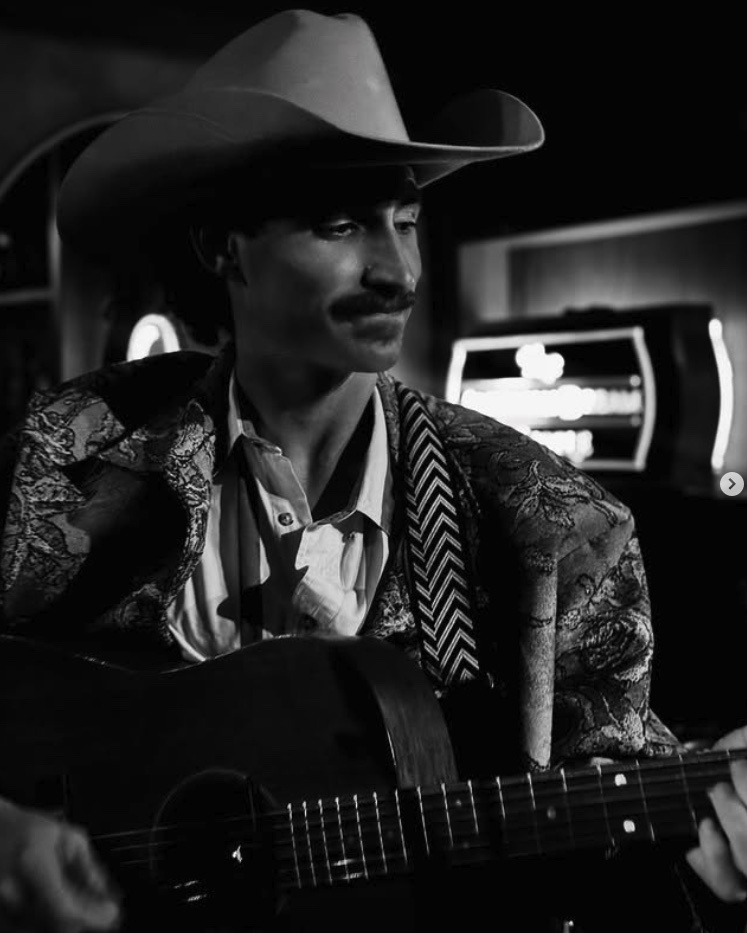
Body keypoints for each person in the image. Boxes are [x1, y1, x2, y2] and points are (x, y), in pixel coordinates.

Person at [1, 9, 746, 933]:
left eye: (407, 221)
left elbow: (611, 845)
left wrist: (705, 834)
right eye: (342, 222)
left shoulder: (556, 529)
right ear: (221, 246)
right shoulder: (55, 456)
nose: (397, 271)